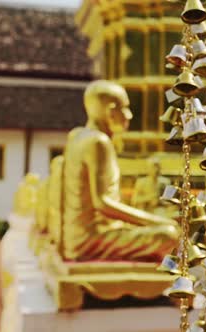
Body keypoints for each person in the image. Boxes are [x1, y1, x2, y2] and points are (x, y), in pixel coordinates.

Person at [61, 80, 179, 261]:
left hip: (74, 237)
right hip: (91, 239)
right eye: (124, 108)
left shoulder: (77, 135)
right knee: (170, 235)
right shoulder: (98, 142)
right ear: (110, 112)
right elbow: (102, 203)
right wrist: (156, 222)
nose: (130, 116)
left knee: (161, 223)